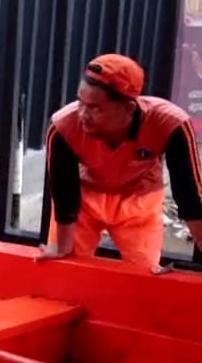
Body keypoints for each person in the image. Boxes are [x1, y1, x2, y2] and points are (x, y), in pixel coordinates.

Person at [38, 53, 202, 272]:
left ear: (129, 108)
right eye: (81, 102)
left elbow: (190, 195)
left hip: (140, 201)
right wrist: (62, 247)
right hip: (85, 200)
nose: (83, 114)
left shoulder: (170, 124)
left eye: (95, 108)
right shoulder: (63, 126)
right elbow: (63, 191)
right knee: (64, 269)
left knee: (142, 277)